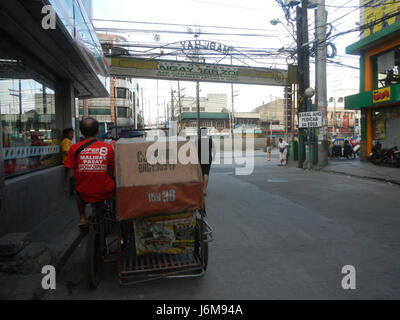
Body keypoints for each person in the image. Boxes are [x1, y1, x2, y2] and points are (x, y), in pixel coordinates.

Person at [64, 117, 115, 229]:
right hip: (105, 190)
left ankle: (82, 217)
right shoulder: (108, 148)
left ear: (81, 132)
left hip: (84, 191)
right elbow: (112, 172)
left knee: (77, 192)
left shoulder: (74, 148)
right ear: (98, 131)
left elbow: (71, 175)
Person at [197, 127, 215, 197]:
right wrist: (213, 157)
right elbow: (214, 150)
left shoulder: (197, 141)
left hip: (199, 159)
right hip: (208, 159)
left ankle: (200, 188)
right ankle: (204, 190)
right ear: (206, 133)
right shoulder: (210, 140)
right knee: (206, 173)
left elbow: (194, 151)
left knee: (200, 174)